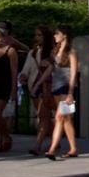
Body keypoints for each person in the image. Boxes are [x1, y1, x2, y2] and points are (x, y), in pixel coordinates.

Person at [46, 26, 79, 161]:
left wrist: (71, 92)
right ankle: (73, 148)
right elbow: (50, 69)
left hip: (67, 87)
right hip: (56, 86)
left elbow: (73, 73)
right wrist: (39, 83)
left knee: (59, 117)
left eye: (57, 33)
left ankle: (52, 149)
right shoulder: (55, 51)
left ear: (65, 35)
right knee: (66, 119)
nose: (55, 36)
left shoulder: (71, 52)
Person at [23, 26, 55, 155]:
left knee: (43, 116)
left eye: (39, 35)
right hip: (34, 85)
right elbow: (27, 68)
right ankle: (55, 139)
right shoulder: (33, 52)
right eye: (36, 35)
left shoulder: (53, 52)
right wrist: (23, 76)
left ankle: (38, 144)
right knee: (44, 116)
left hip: (48, 86)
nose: (37, 38)